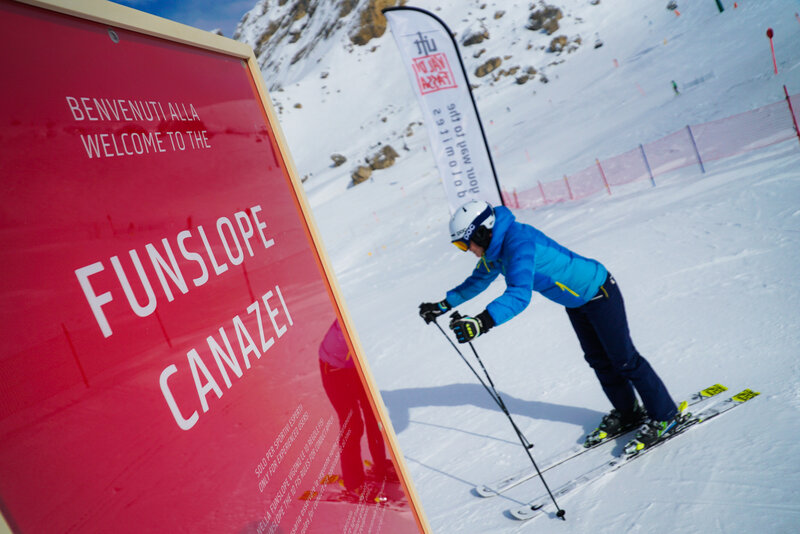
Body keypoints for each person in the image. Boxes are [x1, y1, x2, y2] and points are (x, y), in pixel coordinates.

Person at [419, 200, 683, 451]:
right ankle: (629, 413)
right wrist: (443, 305)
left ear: (482, 233)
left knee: (625, 359)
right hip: (576, 302)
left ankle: (666, 415)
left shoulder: (519, 243)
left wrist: (481, 322)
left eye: (466, 245)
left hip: (598, 291)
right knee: (598, 360)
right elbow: (478, 280)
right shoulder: (495, 251)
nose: (469, 251)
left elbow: (519, 295)